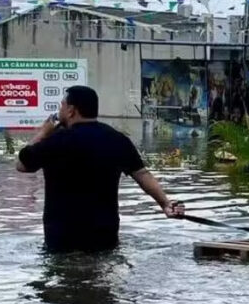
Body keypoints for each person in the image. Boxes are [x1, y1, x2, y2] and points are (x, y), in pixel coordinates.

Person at [15, 86, 185, 253]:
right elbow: (142, 174)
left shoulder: (55, 141)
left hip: (62, 237)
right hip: (104, 235)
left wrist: (42, 133)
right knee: (101, 268)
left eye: (62, 106)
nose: (59, 111)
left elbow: (21, 165)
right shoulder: (117, 139)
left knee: (65, 270)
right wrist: (165, 204)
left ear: (71, 111)